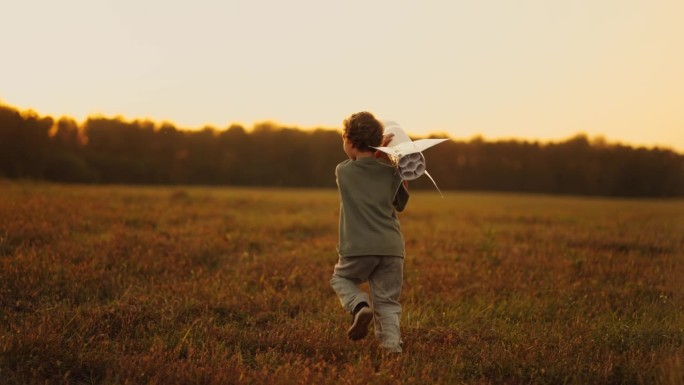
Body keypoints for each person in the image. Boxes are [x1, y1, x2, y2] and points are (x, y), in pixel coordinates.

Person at [330, 111, 409, 354]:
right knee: (387, 301)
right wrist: (393, 165)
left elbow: (358, 166)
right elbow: (401, 204)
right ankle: (391, 347)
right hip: (391, 249)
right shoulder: (391, 173)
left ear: (350, 141)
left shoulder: (343, 171)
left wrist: (375, 155)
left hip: (358, 248)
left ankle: (359, 305)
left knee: (341, 279)